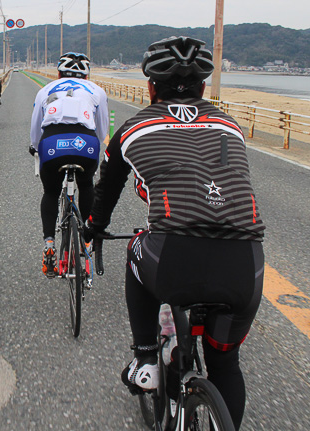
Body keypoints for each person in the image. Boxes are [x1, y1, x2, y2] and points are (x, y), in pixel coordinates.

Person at [84, 36, 264, 430]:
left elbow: (107, 188)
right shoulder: (230, 127)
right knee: (225, 363)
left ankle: (147, 357)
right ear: (203, 88)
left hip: (174, 259)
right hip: (245, 261)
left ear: (150, 87)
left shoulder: (133, 128)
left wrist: (93, 228)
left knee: (135, 246)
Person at [30, 52, 109, 277]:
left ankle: (49, 245)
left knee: (51, 191)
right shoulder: (97, 90)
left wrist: (34, 146)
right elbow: (101, 128)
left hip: (52, 142)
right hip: (86, 143)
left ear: (58, 73)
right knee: (86, 186)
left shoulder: (46, 89)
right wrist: (95, 147)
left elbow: (36, 125)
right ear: (86, 74)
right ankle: (87, 242)